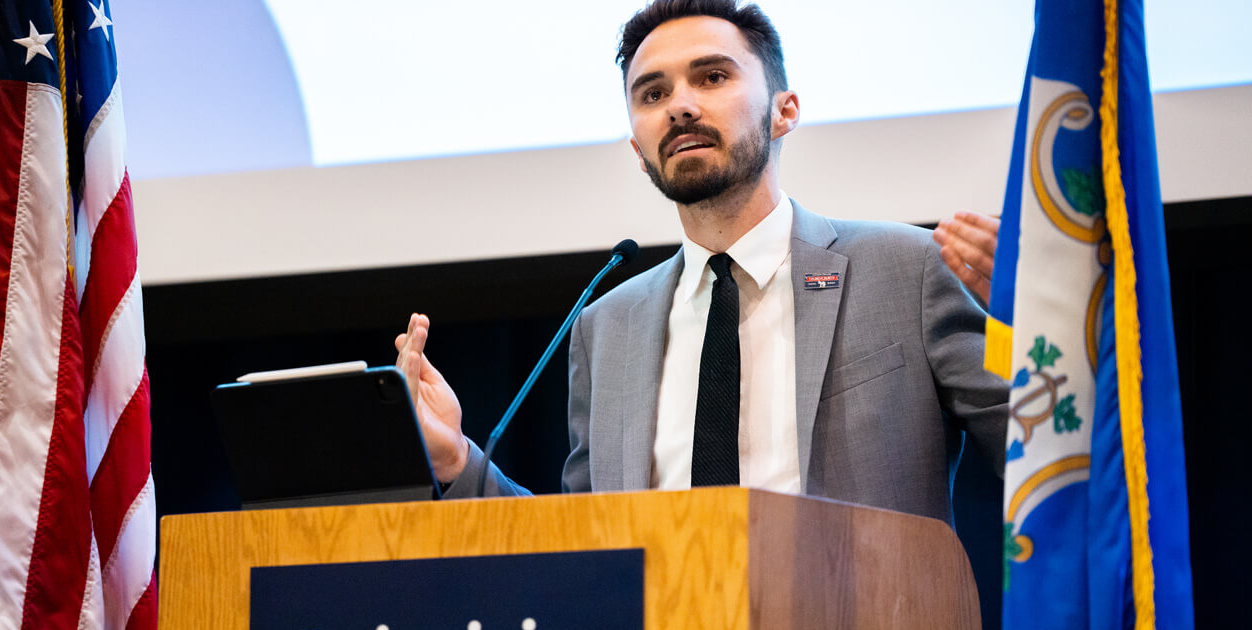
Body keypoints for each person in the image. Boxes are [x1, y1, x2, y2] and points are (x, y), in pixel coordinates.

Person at [396, 0, 1006, 522]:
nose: (680, 106)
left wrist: (1035, 326)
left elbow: (1044, 458)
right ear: (639, 148)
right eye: (653, 92)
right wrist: (458, 461)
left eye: (712, 77)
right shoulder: (607, 327)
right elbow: (580, 548)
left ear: (784, 110)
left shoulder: (907, 269)